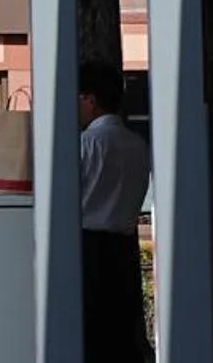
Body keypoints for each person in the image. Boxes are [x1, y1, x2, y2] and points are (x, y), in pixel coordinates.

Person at [77, 59, 151, 363]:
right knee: (121, 338)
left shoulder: (85, 144)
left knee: (91, 338)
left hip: (87, 248)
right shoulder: (138, 145)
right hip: (124, 248)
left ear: (90, 100)